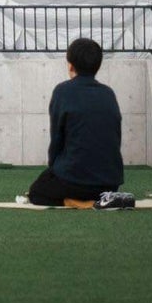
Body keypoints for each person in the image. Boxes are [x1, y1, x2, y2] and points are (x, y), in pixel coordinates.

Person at [26, 37, 124, 208]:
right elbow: (115, 136)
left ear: (70, 65)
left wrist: (53, 169)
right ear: (98, 65)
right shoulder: (108, 93)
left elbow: (57, 138)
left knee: (36, 192)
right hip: (110, 184)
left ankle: (74, 201)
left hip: (73, 180)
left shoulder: (62, 91)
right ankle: (97, 199)